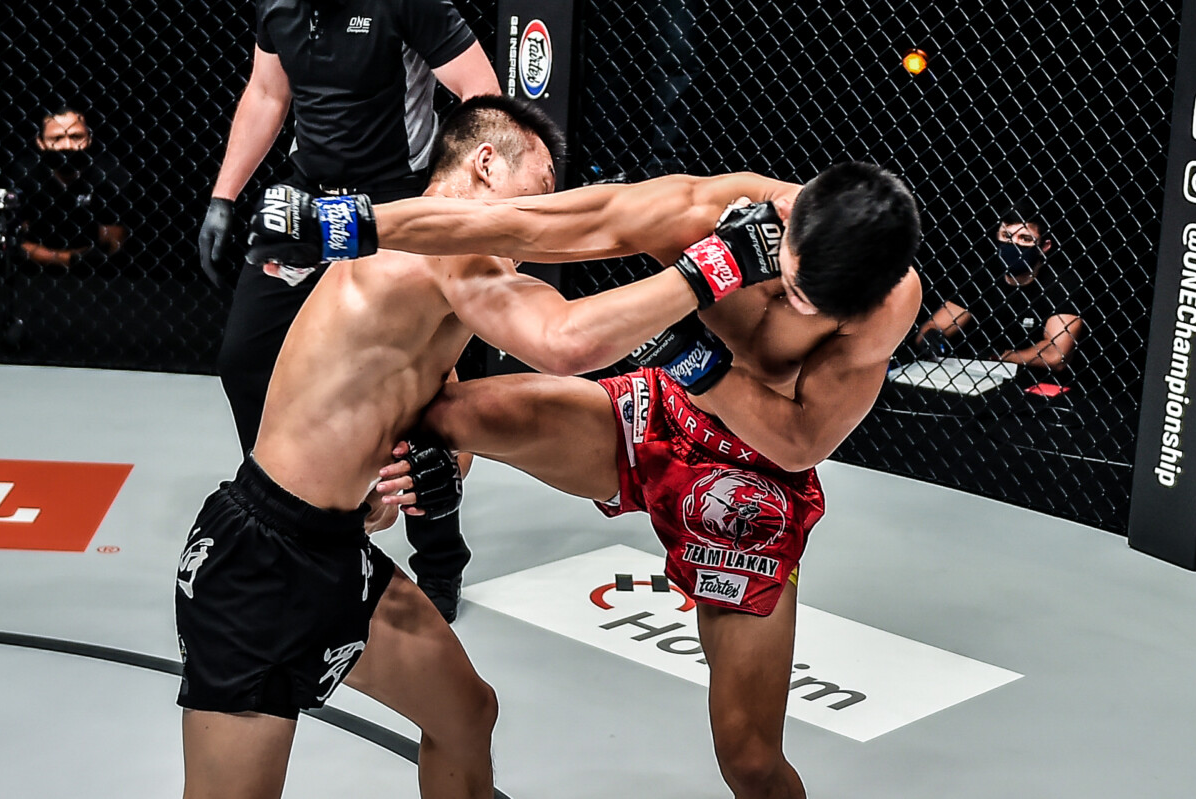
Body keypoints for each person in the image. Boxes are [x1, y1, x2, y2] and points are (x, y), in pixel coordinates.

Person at [252, 160, 922, 797]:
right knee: (447, 416)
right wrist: (348, 224)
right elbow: (531, 222)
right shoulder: (711, 211)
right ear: (789, 221)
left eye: (817, 306)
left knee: (750, 760)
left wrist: (698, 363)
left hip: (756, 481)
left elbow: (800, 442)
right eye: (795, 283)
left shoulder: (887, 303)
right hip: (664, 414)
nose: (798, 306)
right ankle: (378, 507)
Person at [180, 95, 784, 799]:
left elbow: (436, 409)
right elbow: (563, 343)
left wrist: (429, 470)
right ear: (486, 164)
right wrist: (713, 267)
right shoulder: (444, 248)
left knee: (467, 714)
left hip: (333, 548)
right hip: (257, 564)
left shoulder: (418, 258)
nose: (542, 218)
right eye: (540, 189)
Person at [197, 0, 501, 621]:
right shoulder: (278, 3)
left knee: (412, 387)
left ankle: (439, 557)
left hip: (393, 203)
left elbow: (482, 97)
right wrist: (224, 197)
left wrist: (451, 201)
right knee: (245, 358)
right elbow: (267, 92)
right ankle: (290, 522)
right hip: (309, 205)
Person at [915, 201, 1084, 390]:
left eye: (1025, 239)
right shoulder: (982, 275)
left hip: (1034, 384)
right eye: (1007, 236)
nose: (1014, 245)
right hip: (979, 380)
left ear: (1044, 246)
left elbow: (1056, 355)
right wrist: (930, 337)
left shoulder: (1060, 283)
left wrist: (999, 356)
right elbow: (933, 325)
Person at [14, 106, 129, 272]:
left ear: (88, 139)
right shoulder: (24, 175)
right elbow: (15, 242)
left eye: (76, 137)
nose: (67, 145)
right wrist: (68, 258)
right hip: (32, 272)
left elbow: (112, 243)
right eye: (57, 138)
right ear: (40, 142)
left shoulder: (109, 175)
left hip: (96, 273)